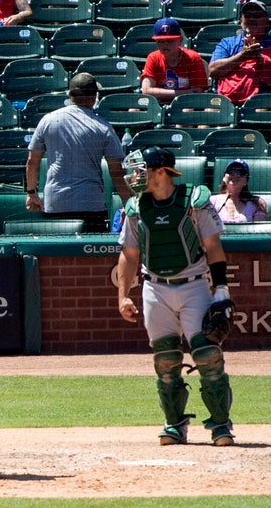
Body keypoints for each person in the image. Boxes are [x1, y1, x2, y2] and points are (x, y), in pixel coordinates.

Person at [116, 147, 236, 447]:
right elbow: (129, 254)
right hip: (154, 286)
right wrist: (123, 296)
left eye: (141, 170)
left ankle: (221, 425)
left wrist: (221, 289)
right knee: (165, 359)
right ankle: (174, 424)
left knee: (207, 355)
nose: (134, 177)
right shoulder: (135, 207)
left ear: (160, 171)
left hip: (194, 284)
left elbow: (213, 247)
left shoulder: (194, 201)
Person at [24, 72, 130, 233]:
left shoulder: (48, 120)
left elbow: (32, 161)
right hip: (90, 204)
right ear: (94, 97)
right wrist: (128, 203)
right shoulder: (103, 126)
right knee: (90, 257)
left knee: (56, 258)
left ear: (70, 94)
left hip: (56, 203)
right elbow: (116, 171)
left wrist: (32, 193)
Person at [208, 0, 271, 107]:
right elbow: (213, 70)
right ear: (241, 20)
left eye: (257, 16)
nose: (251, 19)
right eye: (247, 15)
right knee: (209, 116)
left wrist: (260, 59)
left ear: (266, 21)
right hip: (226, 100)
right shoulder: (228, 43)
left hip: (262, 99)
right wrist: (242, 56)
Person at [140, 18, 209, 104]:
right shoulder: (153, 57)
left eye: (170, 41)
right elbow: (146, 90)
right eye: (161, 41)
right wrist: (183, 92)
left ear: (180, 40)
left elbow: (197, 92)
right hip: (157, 103)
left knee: (187, 110)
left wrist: (159, 93)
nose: (165, 44)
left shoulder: (192, 58)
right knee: (134, 110)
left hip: (185, 103)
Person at [210, 158, 268, 224]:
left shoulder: (256, 204)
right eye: (231, 171)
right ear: (224, 178)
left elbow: (259, 232)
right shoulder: (212, 202)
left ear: (246, 181)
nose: (235, 174)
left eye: (241, 172)